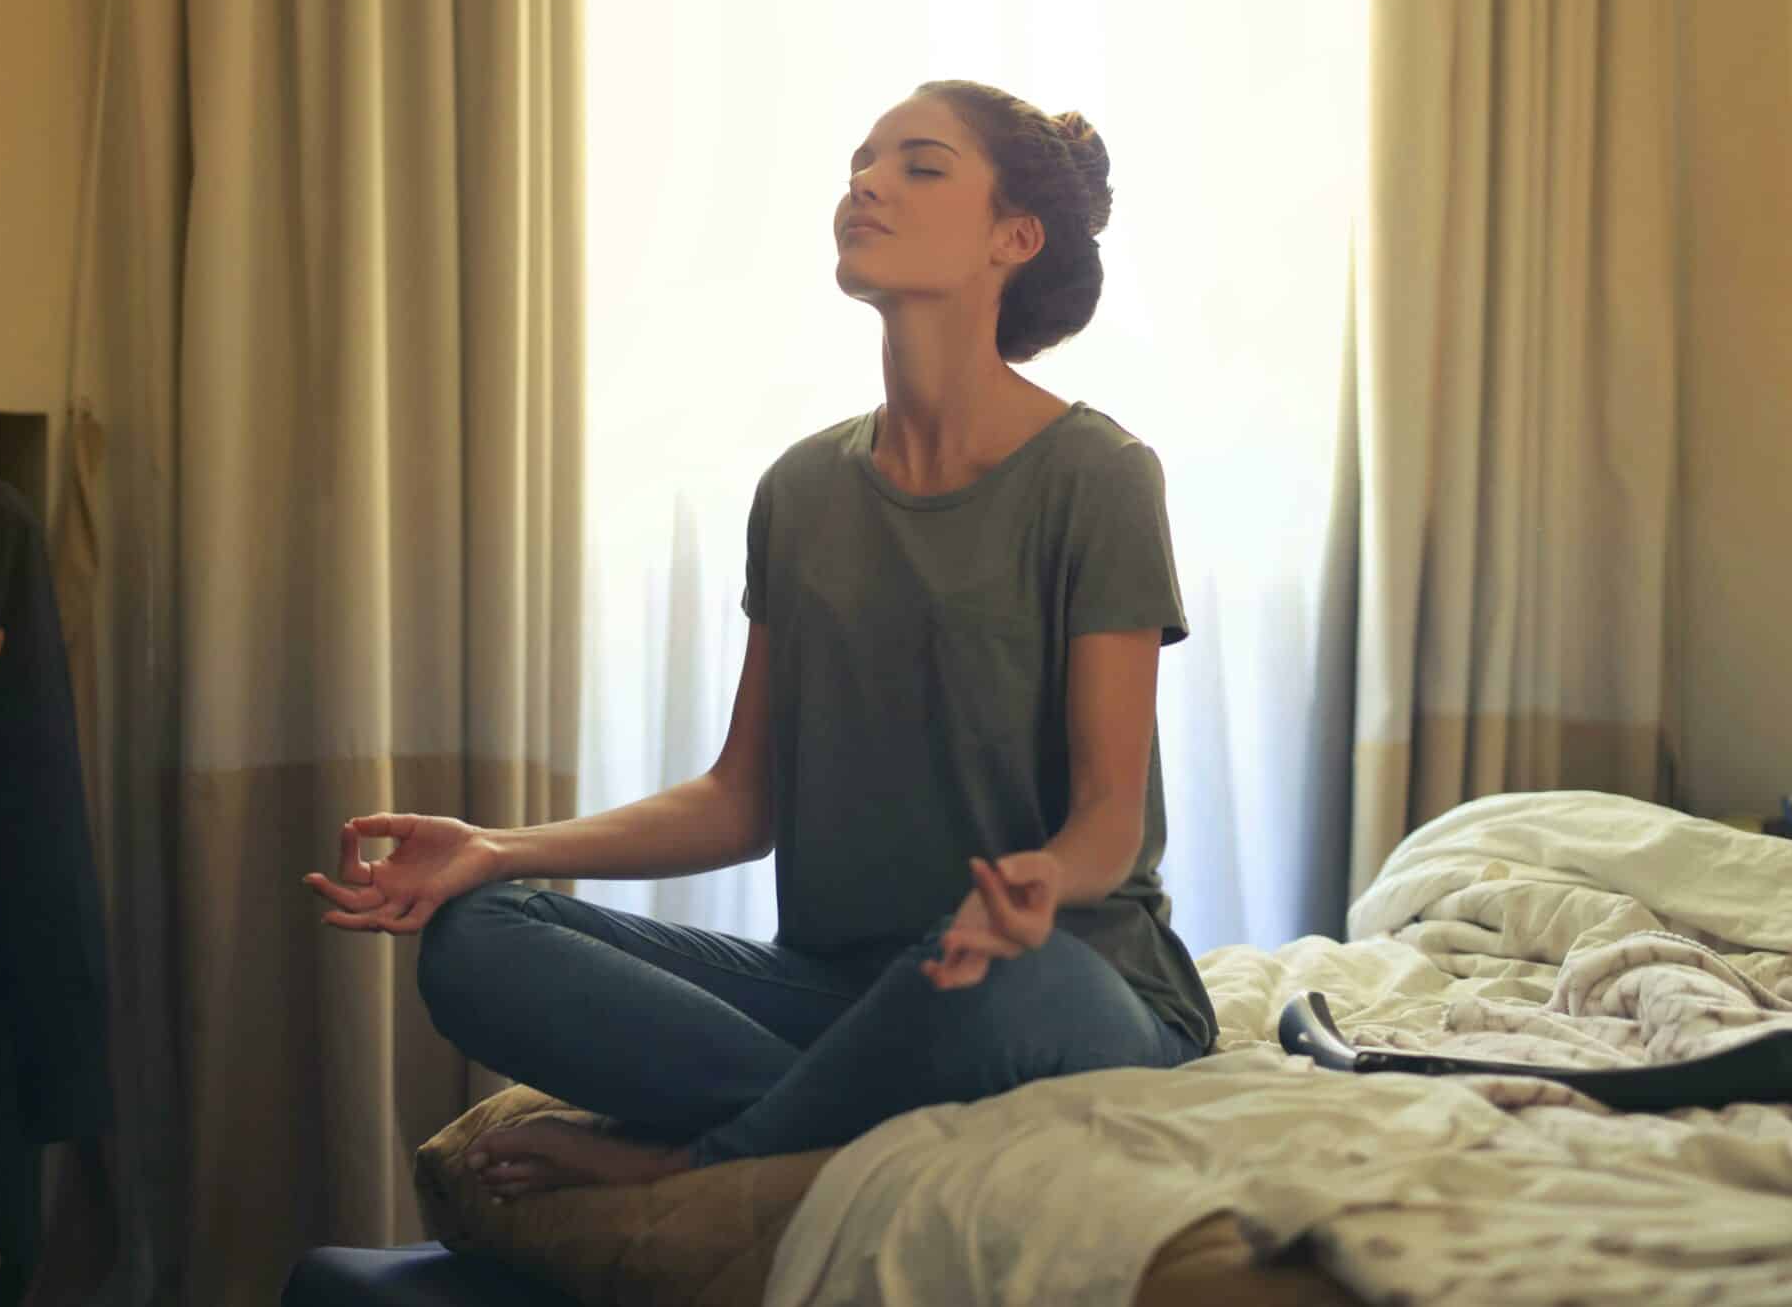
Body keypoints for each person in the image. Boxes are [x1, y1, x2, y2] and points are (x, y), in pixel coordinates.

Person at [304, 79, 1214, 1198]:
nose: (866, 184)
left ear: (1012, 238)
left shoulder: (1099, 477)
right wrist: (499, 848)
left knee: (988, 987)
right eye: (860, 164)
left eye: (918, 165)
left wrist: (1038, 878)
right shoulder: (800, 490)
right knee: (481, 939)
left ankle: (701, 1158)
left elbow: (1109, 820)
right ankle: (836, 1114)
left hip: (1050, 975)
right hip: (835, 991)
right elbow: (741, 801)